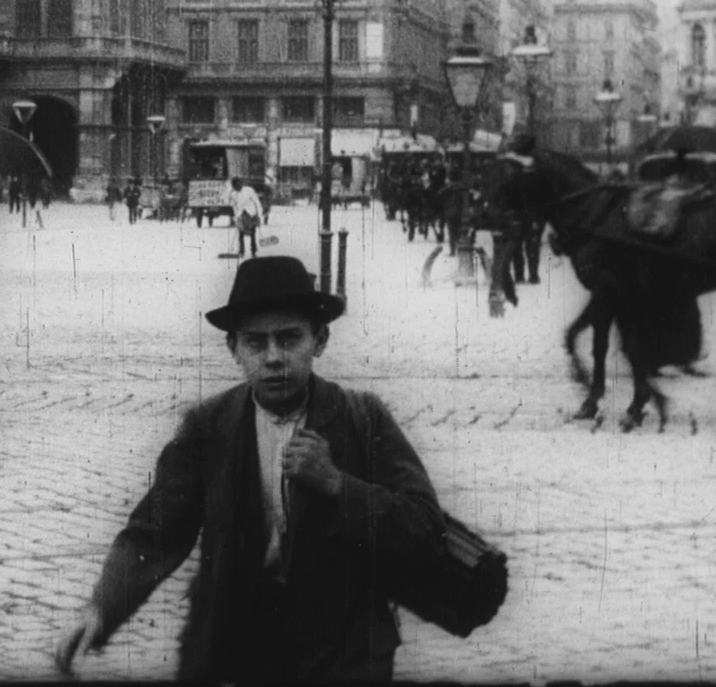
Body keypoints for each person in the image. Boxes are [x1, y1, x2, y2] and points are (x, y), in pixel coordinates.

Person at [54, 256, 444, 681]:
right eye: (256, 343)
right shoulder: (209, 426)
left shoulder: (361, 419)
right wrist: (101, 608)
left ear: (320, 340)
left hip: (344, 651)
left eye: (290, 338)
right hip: (239, 647)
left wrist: (337, 485)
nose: (274, 358)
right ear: (233, 349)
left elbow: (424, 526)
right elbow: (154, 532)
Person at [231, 176, 263, 259]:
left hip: (251, 214)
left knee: (252, 234)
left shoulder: (249, 190)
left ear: (240, 184)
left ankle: (253, 252)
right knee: (241, 235)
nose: (236, 187)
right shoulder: (233, 194)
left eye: (238, 185)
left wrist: (259, 214)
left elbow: (257, 202)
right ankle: (241, 252)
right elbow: (234, 205)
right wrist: (236, 216)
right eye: (235, 186)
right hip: (241, 216)